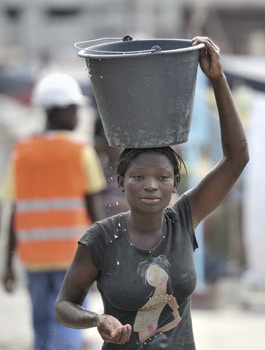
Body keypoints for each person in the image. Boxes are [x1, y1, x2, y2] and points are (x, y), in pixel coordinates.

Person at [54, 37, 249, 349]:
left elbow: (236, 157)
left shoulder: (183, 219)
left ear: (175, 184)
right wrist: (96, 319)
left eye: (162, 177)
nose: (150, 185)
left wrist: (217, 78)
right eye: (138, 176)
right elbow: (64, 305)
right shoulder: (101, 239)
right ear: (120, 181)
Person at [1, 73, 107, 350]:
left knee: (41, 326)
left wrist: (8, 263)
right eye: (73, 108)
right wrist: (111, 254)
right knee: (70, 321)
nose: (76, 115)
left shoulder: (21, 153)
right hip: (73, 257)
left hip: (34, 258)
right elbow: (95, 211)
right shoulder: (80, 151)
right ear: (57, 110)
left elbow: (14, 211)